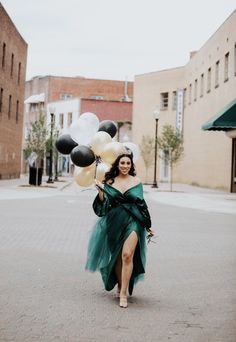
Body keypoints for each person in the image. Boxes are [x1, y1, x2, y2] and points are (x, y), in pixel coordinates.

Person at [85, 153, 154, 308]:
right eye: (122, 163)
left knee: (127, 255)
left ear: (131, 165)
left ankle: (123, 293)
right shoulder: (110, 181)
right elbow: (105, 205)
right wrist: (101, 192)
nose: (125, 166)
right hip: (114, 221)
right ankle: (120, 284)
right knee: (117, 256)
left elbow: (142, 205)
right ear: (117, 164)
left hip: (133, 221)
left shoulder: (136, 181)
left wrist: (148, 225)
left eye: (128, 163)